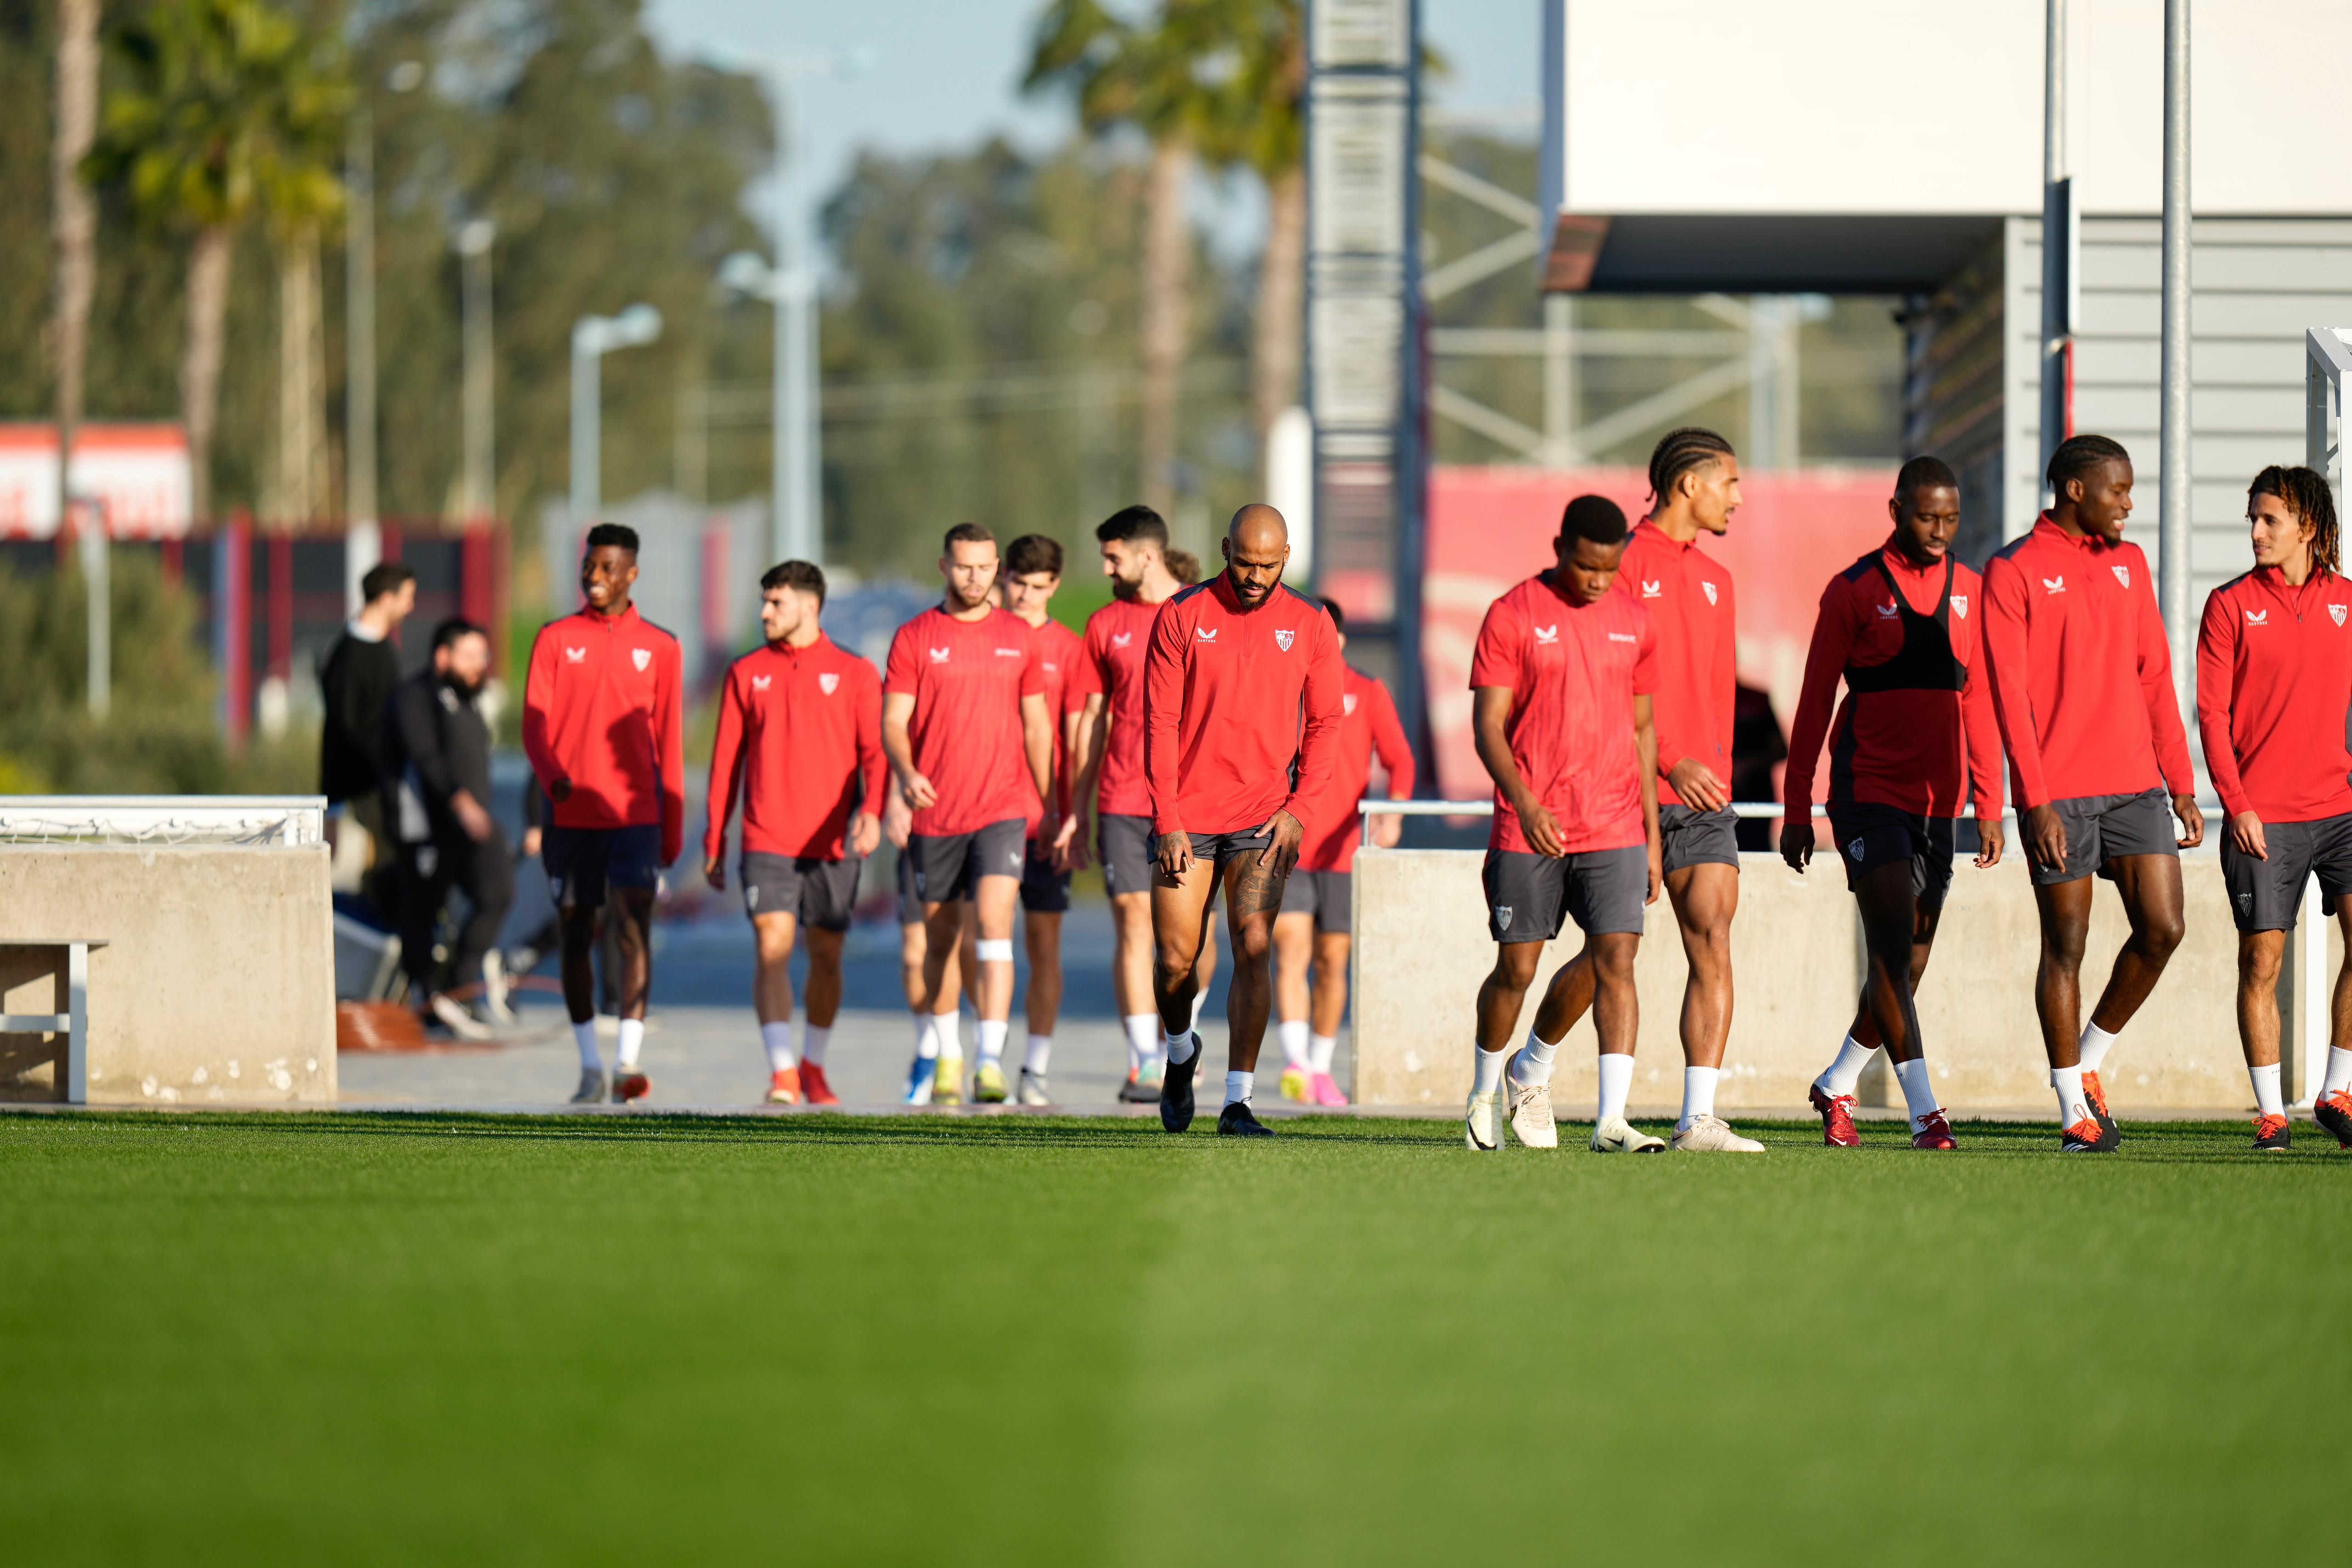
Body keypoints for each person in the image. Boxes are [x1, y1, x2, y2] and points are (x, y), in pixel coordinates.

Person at [1781, 457, 2007, 1151]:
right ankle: (1925, 1112)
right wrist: (1797, 808)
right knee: (1887, 952)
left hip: (1939, 804)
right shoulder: (1852, 590)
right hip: (1866, 794)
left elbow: (1981, 702)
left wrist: (1990, 802)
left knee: (1909, 965)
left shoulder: (1970, 591)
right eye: (1925, 516)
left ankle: (1837, 1080)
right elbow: (1816, 700)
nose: (1940, 530)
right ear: (1895, 510)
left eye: (1951, 518)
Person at [1984, 434, 2201, 1151]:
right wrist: (2034, 800)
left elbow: (2154, 676)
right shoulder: (2013, 569)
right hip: (2061, 794)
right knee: (2066, 946)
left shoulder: (2131, 563)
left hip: (2136, 783)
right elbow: (2008, 696)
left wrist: (2182, 784)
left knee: (2164, 927)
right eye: (2119, 490)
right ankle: (2072, 1105)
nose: (2129, 503)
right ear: (2076, 489)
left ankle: (2092, 1059)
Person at [1463, 497, 1668, 1153]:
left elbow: (1642, 730)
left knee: (1618, 958)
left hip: (1614, 824)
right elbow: (1487, 725)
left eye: (1610, 569)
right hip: (1531, 825)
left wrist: (1653, 834)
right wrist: (1524, 802)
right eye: (1586, 566)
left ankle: (1610, 1120)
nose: (1598, 580)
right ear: (1559, 548)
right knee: (1516, 971)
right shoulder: (1512, 614)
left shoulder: (1636, 620)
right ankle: (1486, 1094)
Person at [1144, 503, 1344, 1138]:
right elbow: (1158, 722)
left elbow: (1326, 722)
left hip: (1262, 820)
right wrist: (1168, 817)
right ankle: (1180, 1054)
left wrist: (1300, 810)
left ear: (1286, 556)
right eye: (1244, 562)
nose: (1254, 576)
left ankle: (1238, 1101)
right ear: (1226, 548)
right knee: (1176, 960)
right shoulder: (1181, 615)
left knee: (1254, 947)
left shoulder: (1311, 623)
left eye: (1268, 565)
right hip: (1189, 819)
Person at [1612, 426, 1760, 1150]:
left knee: (1714, 939)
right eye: (1729, 483)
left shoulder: (1718, 579)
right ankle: (1531, 1063)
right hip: (1620, 792)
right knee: (1607, 956)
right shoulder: (1618, 564)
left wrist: (1715, 773)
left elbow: (1717, 697)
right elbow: (1608, 688)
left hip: (1704, 805)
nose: (1739, 497)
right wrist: (1670, 760)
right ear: (1688, 485)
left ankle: (1697, 1116)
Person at [2196, 466, 2352, 1152]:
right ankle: (2270, 1113)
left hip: (2343, 809)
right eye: (2253, 519)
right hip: (2265, 817)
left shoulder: (2349, 601)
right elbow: (2210, 713)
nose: (2256, 532)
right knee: (2261, 965)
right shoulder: (2229, 604)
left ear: (2307, 527)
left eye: (2270, 520)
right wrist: (2237, 805)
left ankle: (2336, 1090)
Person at [883, 523, 1057, 1106]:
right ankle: (947, 1055)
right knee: (939, 941)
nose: (976, 577)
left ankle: (989, 1060)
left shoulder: (1018, 636)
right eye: (964, 567)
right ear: (944, 567)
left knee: (992, 923)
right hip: (936, 813)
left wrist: (1051, 802)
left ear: (997, 567)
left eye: (985, 566)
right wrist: (906, 774)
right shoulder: (913, 637)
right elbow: (892, 721)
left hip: (1002, 808)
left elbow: (1036, 726)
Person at [704, 560, 884, 1107]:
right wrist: (715, 841)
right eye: (763, 601)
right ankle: (782, 1072)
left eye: (775, 603)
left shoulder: (854, 672)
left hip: (832, 844)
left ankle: (814, 1064)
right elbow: (723, 765)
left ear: (809, 606)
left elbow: (874, 755)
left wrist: (871, 810)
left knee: (826, 955)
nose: (763, 612)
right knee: (772, 947)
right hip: (766, 838)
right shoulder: (745, 672)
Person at [521, 522, 685, 1105]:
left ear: (631, 573)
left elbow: (668, 741)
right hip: (571, 817)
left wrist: (673, 826)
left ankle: (627, 1063)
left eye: (608, 567)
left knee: (632, 927)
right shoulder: (554, 638)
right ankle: (590, 1062)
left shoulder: (662, 647)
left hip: (636, 818)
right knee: (575, 932)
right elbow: (533, 725)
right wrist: (554, 782)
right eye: (589, 565)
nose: (595, 576)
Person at [1066, 505, 1216, 1103]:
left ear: (1145, 554)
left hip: (1197, 802)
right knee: (1133, 922)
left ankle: (1183, 1039)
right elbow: (1092, 719)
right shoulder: (1105, 623)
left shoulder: (1205, 612)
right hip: (1123, 797)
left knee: (1190, 939)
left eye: (1113, 556)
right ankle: (1143, 1062)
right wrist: (1077, 805)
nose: (1106, 566)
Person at [1273, 595, 1413, 1108]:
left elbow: (1400, 761)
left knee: (1333, 959)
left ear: (1341, 641)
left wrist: (1393, 814)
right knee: (1290, 949)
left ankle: (1318, 1066)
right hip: (1286, 844)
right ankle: (1294, 1064)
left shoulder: (1367, 692)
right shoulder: (1280, 688)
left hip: (1343, 850)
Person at [382, 617, 513, 1040]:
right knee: (423, 912)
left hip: (471, 826)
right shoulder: (413, 696)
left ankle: (463, 985)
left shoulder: (469, 698)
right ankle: (426, 1002)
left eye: (483, 656)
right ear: (444, 656)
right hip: (426, 827)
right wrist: (460, 801)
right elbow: (426, 757)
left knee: (497, 892)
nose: (480, 665)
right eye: (471, 656)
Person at [1000, 534, 1080, 1105]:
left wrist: (1069, 813)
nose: (1025, 596)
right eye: (1017, 584)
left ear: (1054, 585)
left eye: (1037, 586)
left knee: (1041, 945)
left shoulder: (1070, 650)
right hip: (980, 815)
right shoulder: (980, 638)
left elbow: (1076, 741)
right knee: (978, 943)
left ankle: (1035, 1068)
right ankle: (973, 1057)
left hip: (1044, 821)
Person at [319, 559, 417, 919]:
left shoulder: (383, 649)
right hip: (364, 784)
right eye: (407, 597)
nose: (411, 607)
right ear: (386, 598)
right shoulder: (349, 657)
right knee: (387, 862)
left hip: (387, 778)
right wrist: (335, 802)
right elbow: (342, 731)